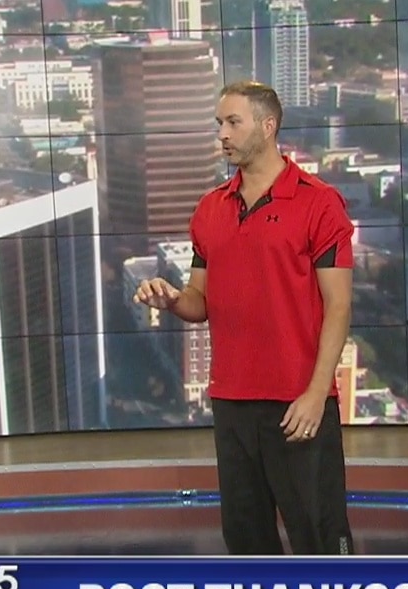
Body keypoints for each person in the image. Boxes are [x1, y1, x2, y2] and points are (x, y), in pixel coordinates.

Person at [134, 81, 356, 556]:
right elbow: (199, 301)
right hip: (232, 403)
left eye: (233, 122)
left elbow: (338, 306)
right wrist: (171, 300)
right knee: (246, 541)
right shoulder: (210, 209)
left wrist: (317, 394)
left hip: (298, 402)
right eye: (219, 123)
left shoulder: (319, 203)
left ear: (268, 126)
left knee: (319, 538)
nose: (223, 134)